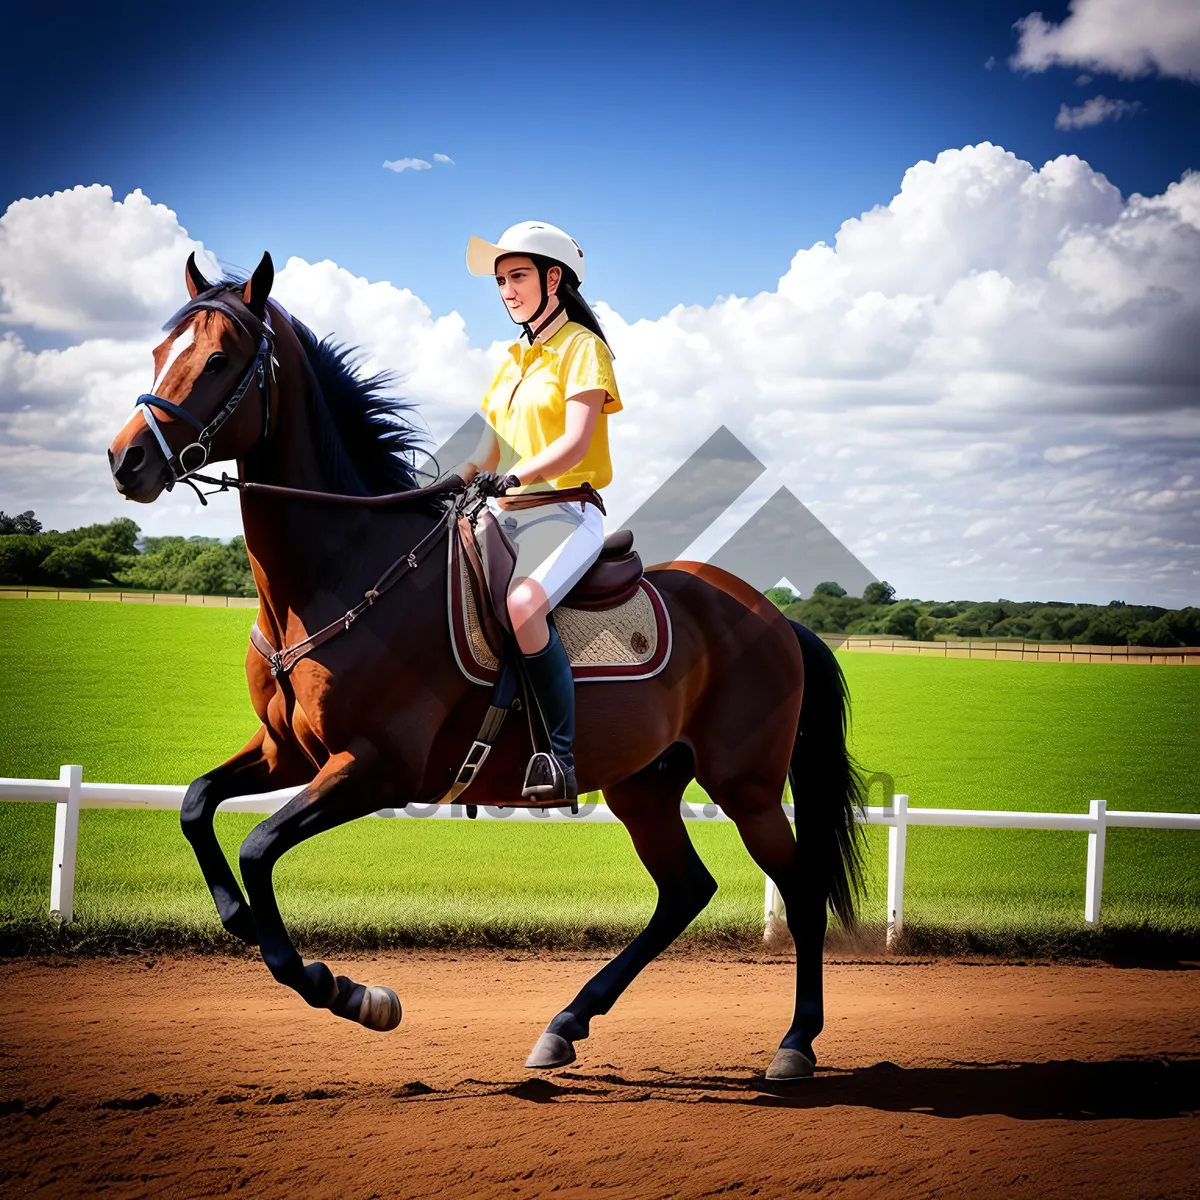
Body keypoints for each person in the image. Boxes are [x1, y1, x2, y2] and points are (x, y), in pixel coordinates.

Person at [445, 221, 622, 802]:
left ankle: (560, 758)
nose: (507, 291)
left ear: (553, 279)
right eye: (500, 281)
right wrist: (444, 486)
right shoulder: (511, 359)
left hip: (566, 510)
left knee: (523, 605)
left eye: (516, 276)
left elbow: (574, 443)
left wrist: (515, 477)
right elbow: (486, 451)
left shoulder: (583, 349)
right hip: (504, 511)